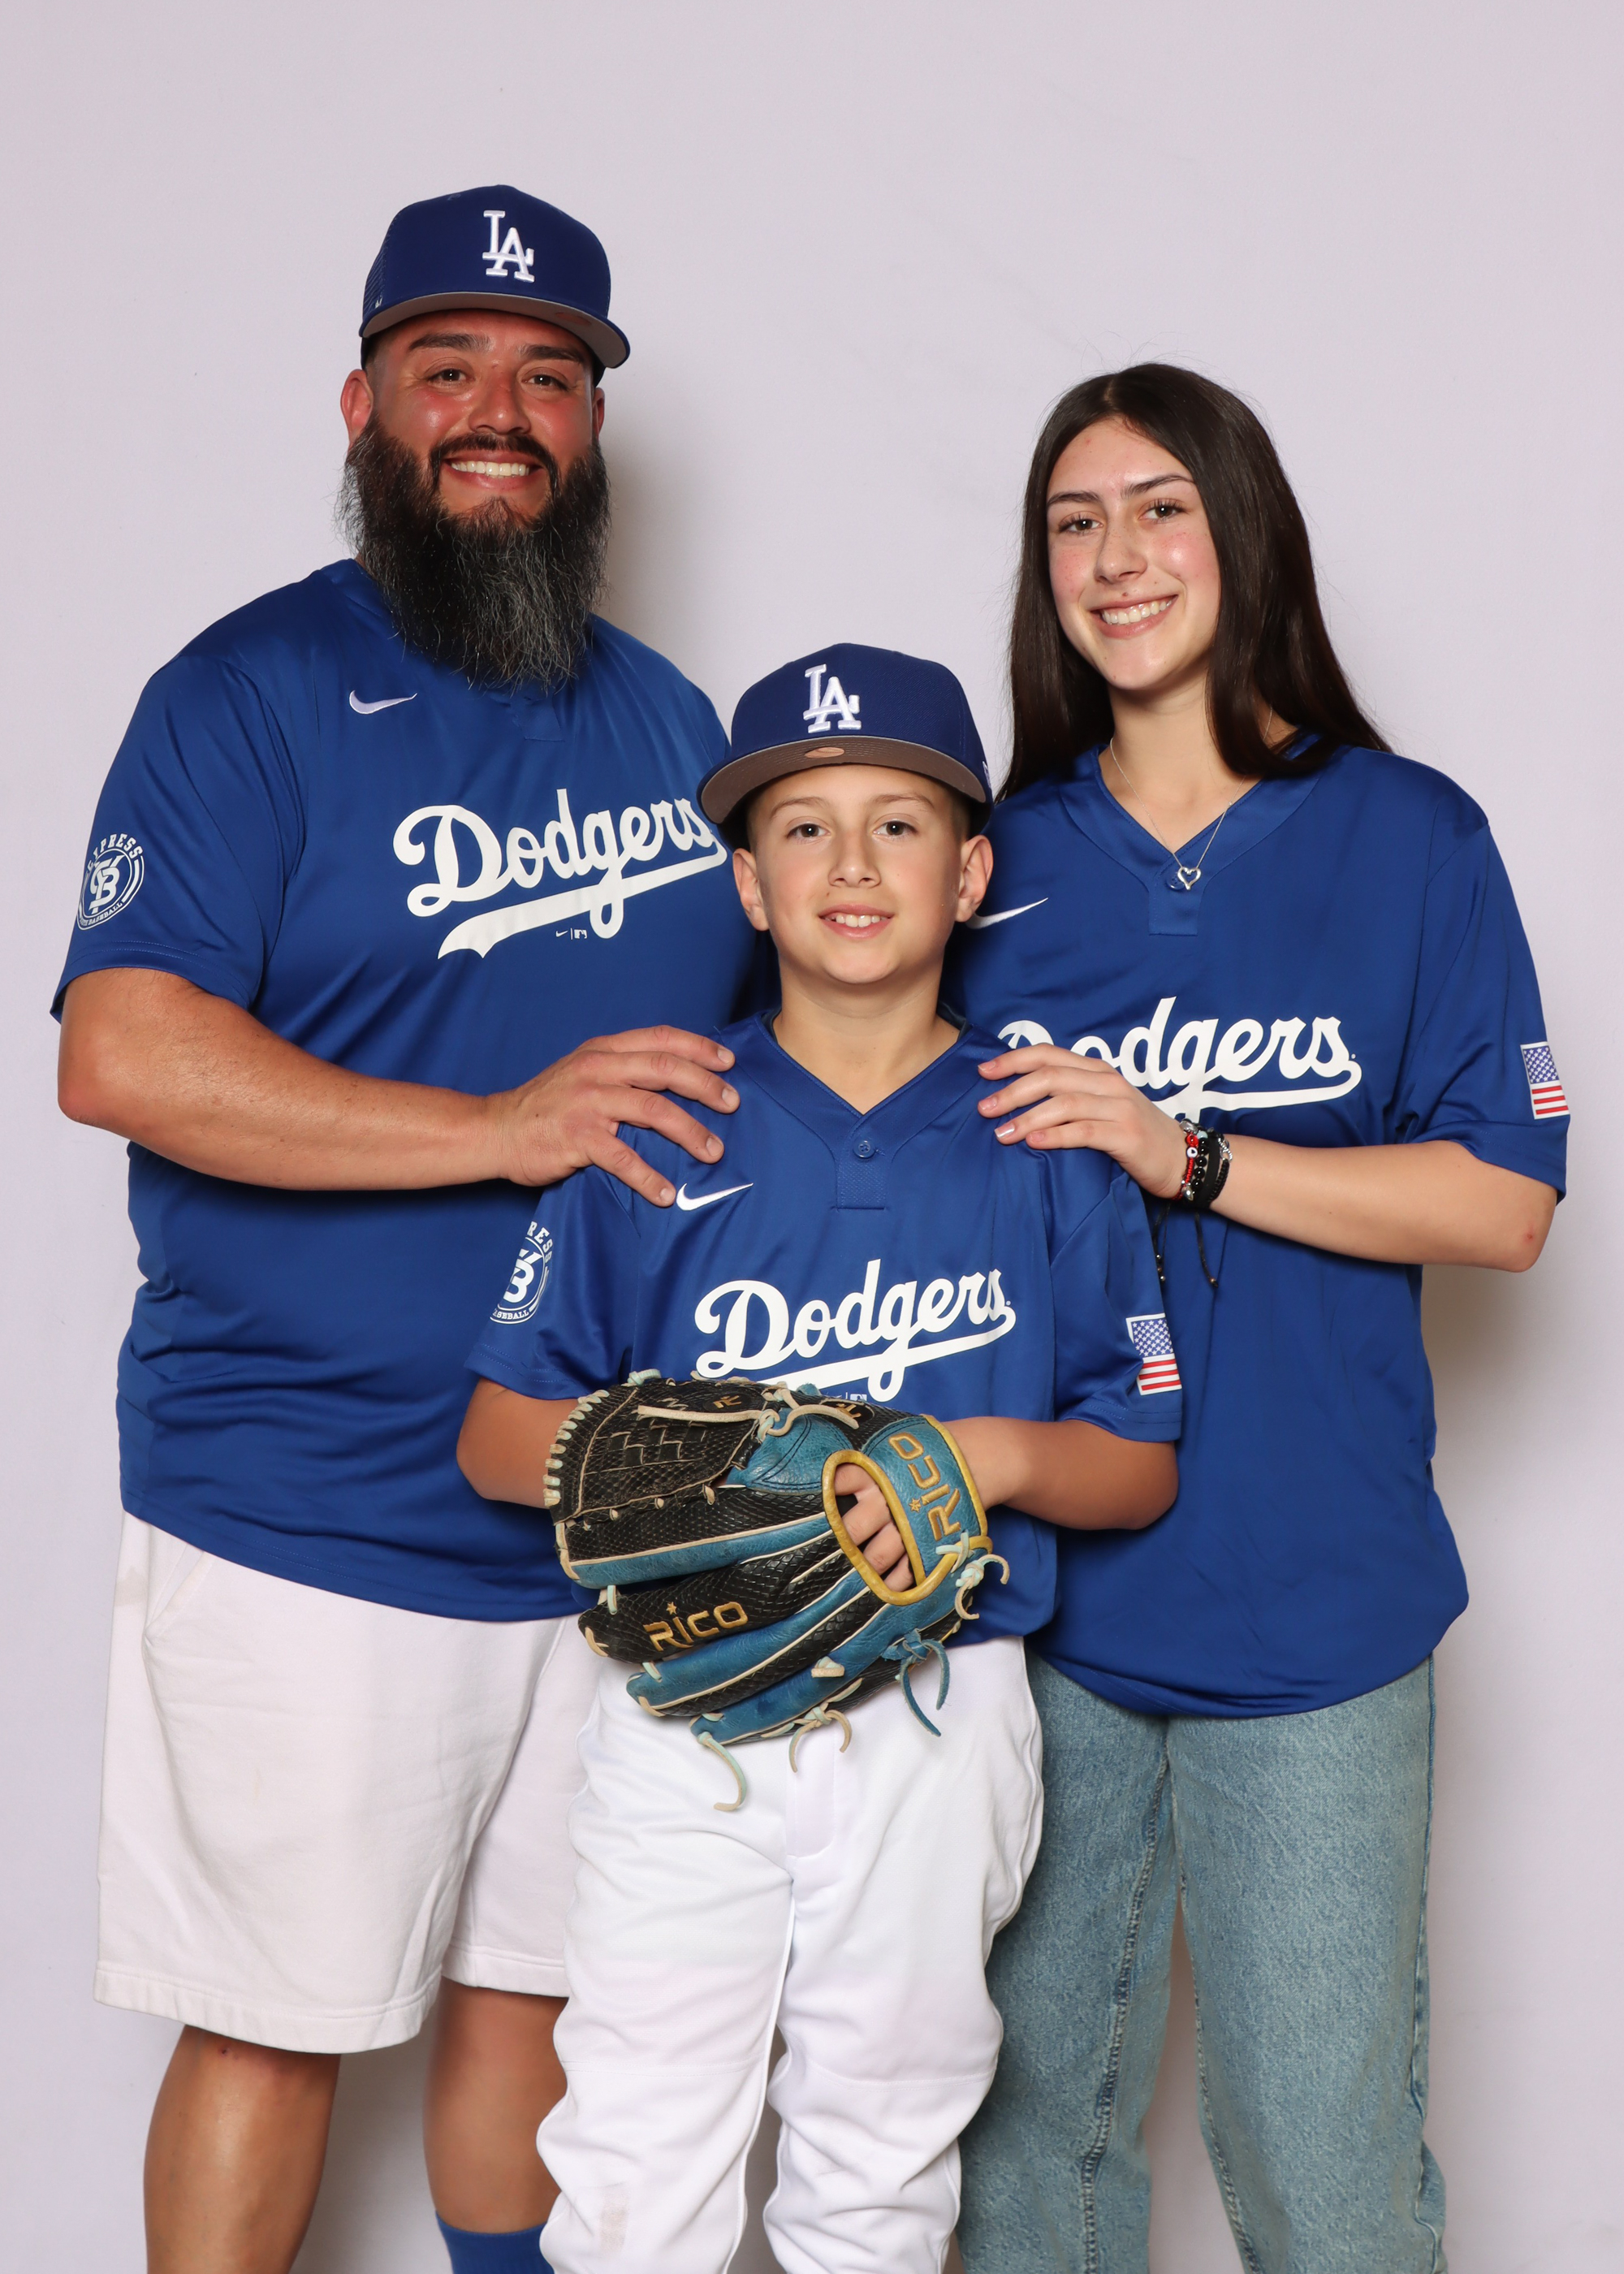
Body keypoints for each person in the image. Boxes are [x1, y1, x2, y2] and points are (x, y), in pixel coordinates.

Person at [54, 184, 765, 2274]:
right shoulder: (247, 692)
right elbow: (124, 1050)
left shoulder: (672, 723)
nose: (498, 412)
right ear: (363, 405)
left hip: (601, 1508)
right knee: (275, 2025)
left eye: (548, 376)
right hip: (311, 1502)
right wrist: (495, 1128)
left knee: (539, 2005)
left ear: (592, 428)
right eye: (448, 369)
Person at [455, 644, 1182, 2274]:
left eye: (899, 824)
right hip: (682, 1695)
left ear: (969, 873)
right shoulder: (661, 1116)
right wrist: (713, 1484)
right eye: (802, 828)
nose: (852, 864)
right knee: (636, 2158)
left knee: (881, 2154)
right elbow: (495, 1435)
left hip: (943, 1698)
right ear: (748, 881)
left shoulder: (1046, 1132)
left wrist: (979, 1455)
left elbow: (1136, 1466)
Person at [948, 365, 1567, 2274]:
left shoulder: (1407, 836)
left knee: (1321, 2173)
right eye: (1073, 522)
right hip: (1038, 1603)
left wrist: (1184, 1151)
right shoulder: (983, 863)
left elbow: (1504, 1202)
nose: (1115, 557)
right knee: (1019, 2160)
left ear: (1243, 535)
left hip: (1316, 1596)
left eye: (1160, 508)